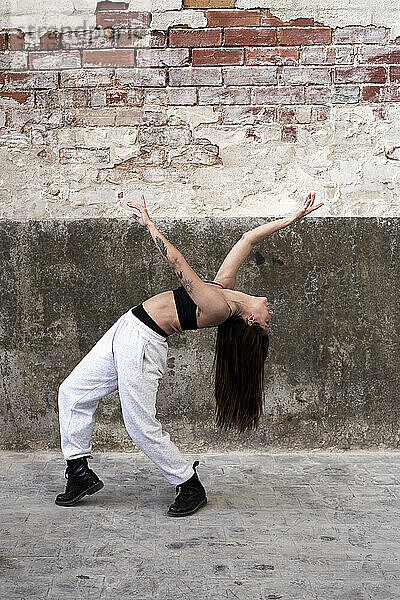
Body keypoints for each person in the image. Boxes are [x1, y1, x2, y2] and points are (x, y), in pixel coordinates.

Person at [55, 192, 323, 516]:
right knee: (72, 391)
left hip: (142, 341)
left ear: (251, 321)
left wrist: (149, 224)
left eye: (267, 324)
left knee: (138, 423)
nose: (271, 317)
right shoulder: (224, 289)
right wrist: (291, 218)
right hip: (127, 326)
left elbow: (178, 264)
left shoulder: (217, 307)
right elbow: (247, 239)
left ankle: (188, 483)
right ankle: (78, 472)